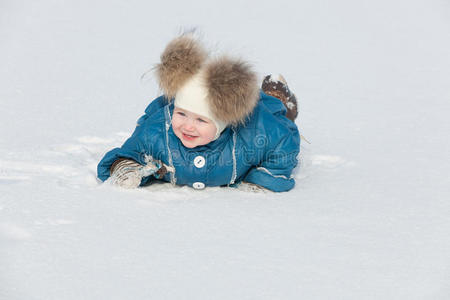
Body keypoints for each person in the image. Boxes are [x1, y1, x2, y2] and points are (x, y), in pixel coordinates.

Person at [97, 34, 300, 192]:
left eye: (202, 120)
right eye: (181, 114)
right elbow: (132, 149)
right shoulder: (158, 131)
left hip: (256, 109)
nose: (188, 126)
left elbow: (285, 143)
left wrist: (265, 178)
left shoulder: (254, 133)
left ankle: (277, 90)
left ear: (222, 123)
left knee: (275, 108)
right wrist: (125, 167)